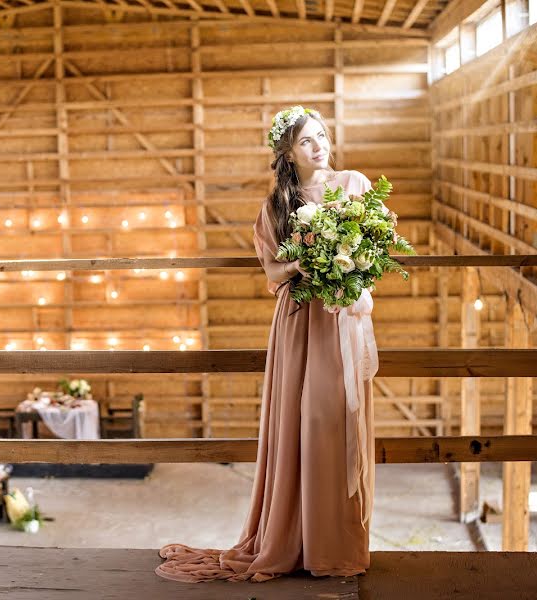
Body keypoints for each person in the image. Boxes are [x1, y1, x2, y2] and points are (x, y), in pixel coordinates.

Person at [155, 106, 378, 583]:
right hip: (299, 321)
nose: (318, 146)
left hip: (340, 317)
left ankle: (334, 544)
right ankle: (292, 541)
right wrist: (307, 262)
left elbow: (371, 252)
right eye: (306, 141)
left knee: (337, 421)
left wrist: (345, 263)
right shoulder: (276, 206)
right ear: (287, 153)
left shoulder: (355, 185)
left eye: (321, 136)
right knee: (302, 423)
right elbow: (274, 273)